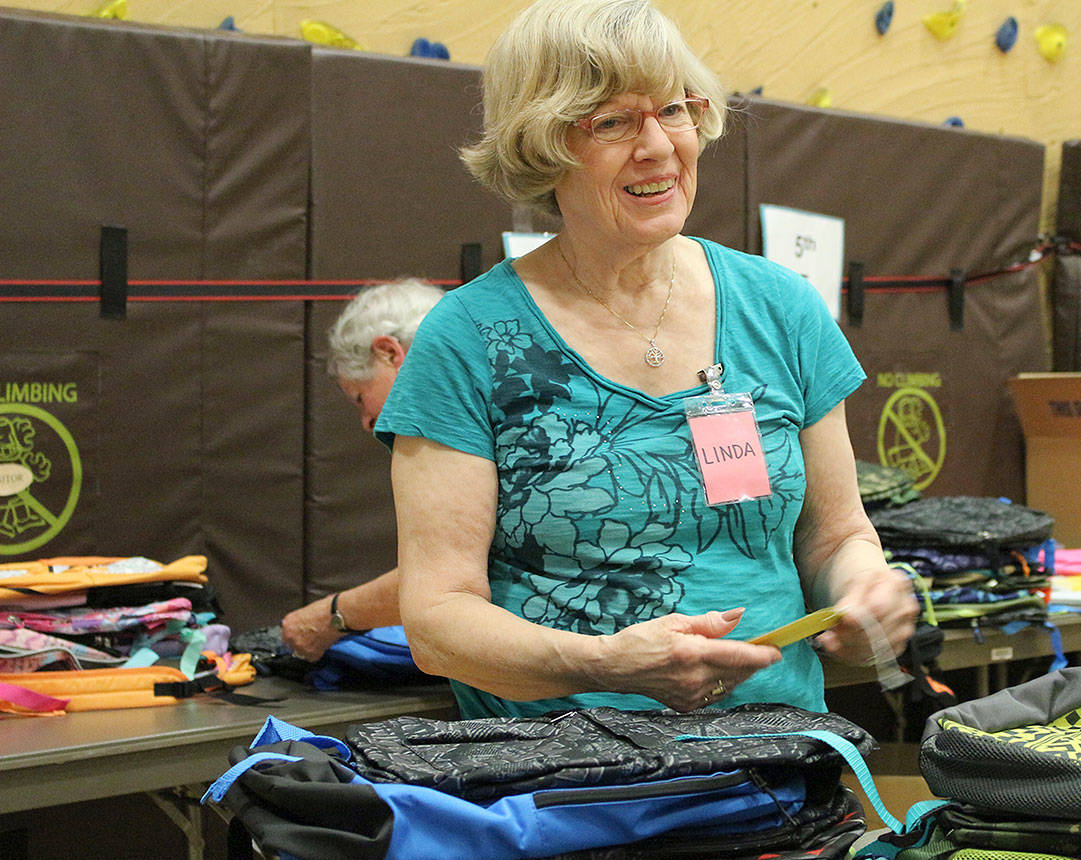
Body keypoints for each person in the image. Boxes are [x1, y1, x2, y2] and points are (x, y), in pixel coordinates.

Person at [375, 0, 917, 719]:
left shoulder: (780, 308)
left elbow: (836, 534)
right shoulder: (469, 339)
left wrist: (863, 589)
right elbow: (439, 624)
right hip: (569, 789)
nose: (658, 146)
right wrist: (603, 664)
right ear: (542, 144)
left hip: (779, 772)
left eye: (673, 109)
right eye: (611, 122)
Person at [279, 278, 445, 661]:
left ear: (390, 353)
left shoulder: (456, 431)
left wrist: (332, 615)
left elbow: (442, 577)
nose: (367, 422)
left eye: (359, 398)